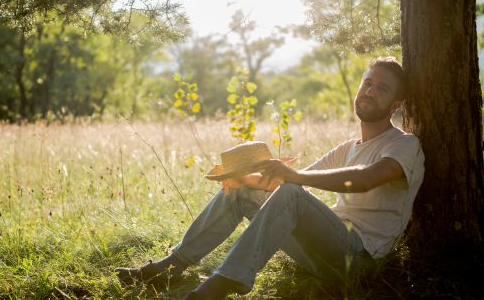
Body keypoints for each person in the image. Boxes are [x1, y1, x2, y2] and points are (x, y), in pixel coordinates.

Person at [115, 56, 425, 300]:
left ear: (396, 105)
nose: (370, 91)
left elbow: (366, 179)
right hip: (321, 253)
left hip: (358, 259)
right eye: (367, 83)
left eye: (381, 88)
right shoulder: (348, 148)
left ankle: (221, 285)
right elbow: (292, 182)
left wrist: (291, 176)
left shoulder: (404, 144)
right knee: (246, 191)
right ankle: (172, 266)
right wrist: (243, 181)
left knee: (291, 191)